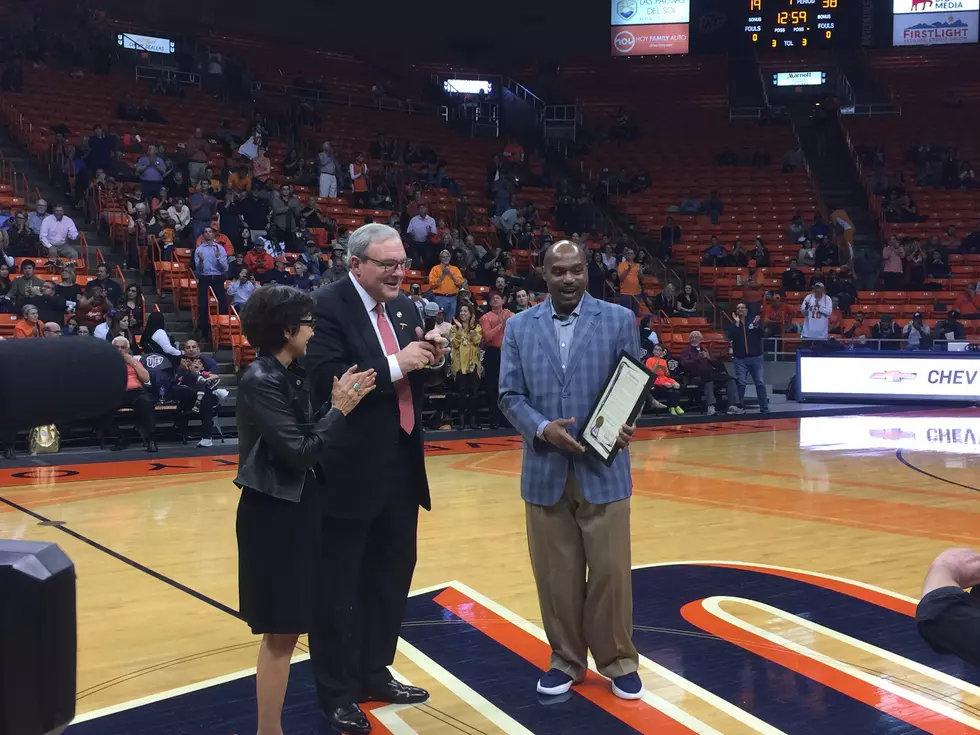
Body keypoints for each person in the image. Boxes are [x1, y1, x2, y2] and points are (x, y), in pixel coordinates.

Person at [304, 223, 448, 734]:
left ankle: (372, 670)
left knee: (390, 578)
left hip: (401, 467)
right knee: (339, 587)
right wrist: (395, 363)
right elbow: (325, 379)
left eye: (402, 262)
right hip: (347, 472)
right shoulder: (326, 307)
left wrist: (431, 356)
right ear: (355, 264)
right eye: (387, 264)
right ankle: (337, 691)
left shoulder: (406, 308)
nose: (398, 272)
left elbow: (413, 380)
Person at [498, 239, 644, 701]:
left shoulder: (619, 319)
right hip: (545, 468)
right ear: (544, 274)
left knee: (611, 571)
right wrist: (541, 429)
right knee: (555, 575)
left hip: (605, 466)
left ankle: (619, 660)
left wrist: (625, 425)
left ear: (587, 272)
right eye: (559, 271)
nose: (568, 279)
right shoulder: (519, 326)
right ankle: (565, 660)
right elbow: (508, 395)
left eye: (576, 270)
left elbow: (631, 384)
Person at [234, 284, 376, 735]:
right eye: (308, 323)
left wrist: (334, 409)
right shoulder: (260, 380)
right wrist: (339, 411)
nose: (314, 330)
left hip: (297, 509)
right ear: (287, 328)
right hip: (275, 516)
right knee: (280, 634)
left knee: (289, 631)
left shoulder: (287, 373)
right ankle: (267, 730)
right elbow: (300, 452)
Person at [106, 336, 157, 452]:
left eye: (123, 347)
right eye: (116, 347)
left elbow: (146, 378)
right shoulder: (106, 361)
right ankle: (120, 438)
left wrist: (132, 362)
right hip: (115, 393)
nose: (119, 350)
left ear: (127, 350)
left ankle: (151, 440)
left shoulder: (135, 361)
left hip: (135, 391)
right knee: (99, 409)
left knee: (146, 403)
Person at [679, 331, 742, 415]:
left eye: (696, 337)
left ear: (700, 340)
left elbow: (719, 365)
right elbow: (685, 365)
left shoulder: (705, 350)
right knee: (708, 381)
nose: (694, 339)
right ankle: (710, 406)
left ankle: (732, 406)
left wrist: (709, 358)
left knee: (730, 380)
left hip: (710, 374)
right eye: (692, 338)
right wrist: (697, 358)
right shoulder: (685, 351)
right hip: (695, 376)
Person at [725, 303, 769, 413]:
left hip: (756, 358)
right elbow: (730, 337)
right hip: (740, 359)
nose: (740, 309)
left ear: (746, 310)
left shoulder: (754, 321)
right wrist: (736, 324)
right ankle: (739, 406)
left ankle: (764, 406)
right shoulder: (733, 324)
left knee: (759, 382)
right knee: (741, 382)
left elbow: (762, 334)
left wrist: (756, 326)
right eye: (738, 308)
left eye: (742, 308)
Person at [479, 291, 513, 429]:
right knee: (493, 387)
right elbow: (487, 337)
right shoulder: (485, 317)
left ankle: (507, 418)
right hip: (493, 353)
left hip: (508, 352)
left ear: (503, 300)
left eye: (497, 298)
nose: (495, 300)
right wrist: (502, 325)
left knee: (508, 386)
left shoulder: (510, 315)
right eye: (492, 298)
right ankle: (494, 418)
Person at [449, 302, 483, 430]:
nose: (463, 314)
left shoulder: (477, 328)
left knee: (474, 393)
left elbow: (477, 341)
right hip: (459, 366)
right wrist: (459, 329)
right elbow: (455, 344)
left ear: (471, 314)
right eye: (461, 311)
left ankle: (473, 419)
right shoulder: (453, 328)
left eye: (465, 311)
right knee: (461, 393)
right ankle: (461, 420)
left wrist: (470, 329)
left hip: (473, 364)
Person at [427, 249, 464, 321]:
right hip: (440, 298)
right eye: (443, 257)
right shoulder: (435, 269)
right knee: (439, 321)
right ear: (440, 258)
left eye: (447, 256)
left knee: (450, 321)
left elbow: (460, 283)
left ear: (450, 258)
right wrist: (442, 275)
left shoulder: (455, 269)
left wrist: (450, 274)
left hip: (453, 298)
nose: (445, 258)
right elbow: (432, 284)